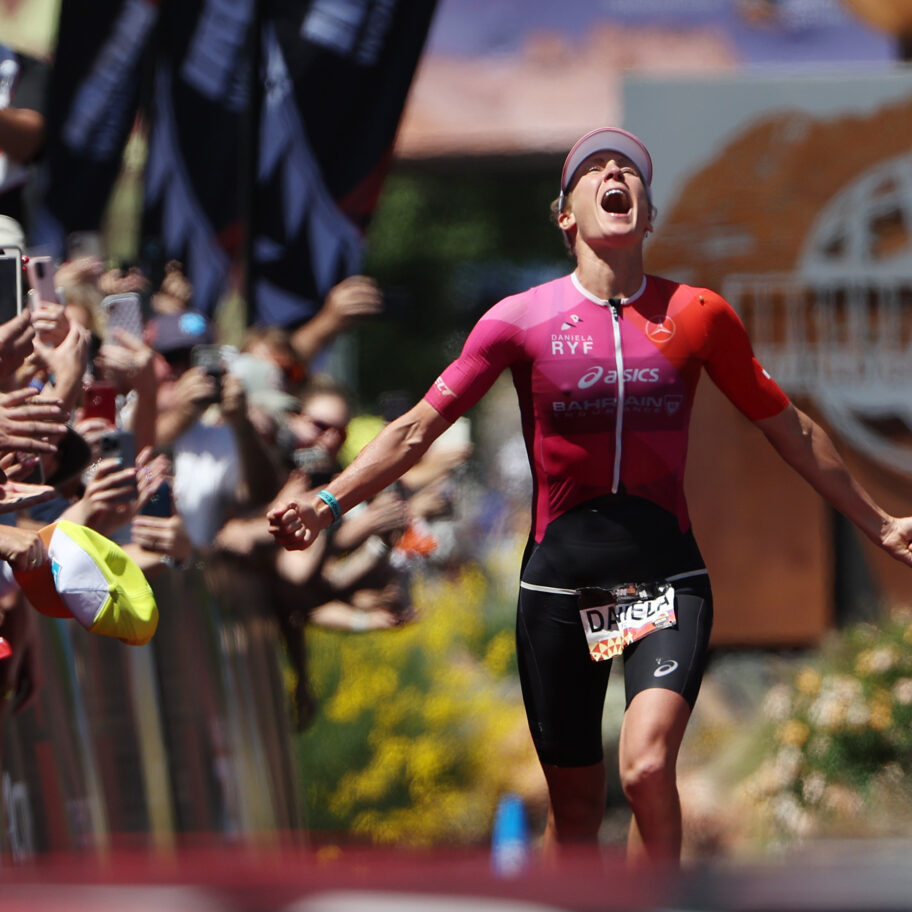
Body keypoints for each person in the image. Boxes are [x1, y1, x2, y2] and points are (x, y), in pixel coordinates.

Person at [268, 127, 912, 866]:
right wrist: (329, 503)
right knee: (574, 807)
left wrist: (879, 521)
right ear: (566, 215)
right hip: (561, 587)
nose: (616, 174)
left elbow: (790, 427)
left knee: (645, 766)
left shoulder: (698, 314)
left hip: (661, 579)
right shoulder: (519, 321)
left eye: (630, 170)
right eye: (596, 168)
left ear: (647, 213)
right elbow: (415, 429)